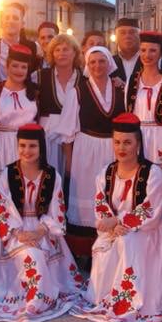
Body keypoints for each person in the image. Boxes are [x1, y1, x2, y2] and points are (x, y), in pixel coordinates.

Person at [72, 113, 162, 322]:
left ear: (138, 144)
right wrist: (113, 224)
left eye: (127, 142)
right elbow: (100, 203)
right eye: (117, 142)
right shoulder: (106, 173)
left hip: (147, 231)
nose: (121, 148)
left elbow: (151, 209)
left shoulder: (152, 173)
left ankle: (127, 299)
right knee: (104, 246)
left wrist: (120, 220)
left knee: (127, 242)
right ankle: (105, 296)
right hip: (117, 228)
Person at [0, 124, 82, 322]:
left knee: (38, 253)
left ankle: (40, 297)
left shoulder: (52, 175)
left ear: (41, 147)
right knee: (32, 256)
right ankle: (37, 298)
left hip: (44, 231)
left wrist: (40, 231)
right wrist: (19, 233)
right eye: (22, 145)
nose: (26, 151)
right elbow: (1, 208)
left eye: (32, 146)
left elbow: (57, 211)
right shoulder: (8, 174)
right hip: (15, 232)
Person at [65, 46, 125, 257]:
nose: (97, 66)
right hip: (86, 149)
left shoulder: (121, 89)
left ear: (109, 63)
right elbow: (68, 133)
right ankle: (85, 251)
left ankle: (109, 246)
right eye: (93, 62)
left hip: (112, 148)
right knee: (87, 194)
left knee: (110, 195)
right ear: (87, 65)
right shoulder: (77, 92)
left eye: (102, 61)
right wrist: (69, 164)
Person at [0, 44, 39, 179]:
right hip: (2, 145)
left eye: (23, 67)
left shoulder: (35, 92)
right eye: (15, 66)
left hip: (27, 145)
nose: (19, 70)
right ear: (7, 66)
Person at [126, 31, 162, 171]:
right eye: (143, 50)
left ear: (160, 53)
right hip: (136, 137)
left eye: (153, 50)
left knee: (160, 175)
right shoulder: (133, 79)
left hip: (161, 137)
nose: (147, 55)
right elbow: (127, 109)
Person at [36, 33, 81, 177]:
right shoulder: (39, 76)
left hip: (75, 136)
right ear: (52, 54)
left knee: (72, 178)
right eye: (57, 50)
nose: (62, 53)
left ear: (75, 53)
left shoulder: (84, 78)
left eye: (66, 49)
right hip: (48, 133)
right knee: (48, 176)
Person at [0, 2, 41, 80]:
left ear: (22, 24)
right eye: (7, 17)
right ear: (1, 22)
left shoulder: (32, 47)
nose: (10, 21)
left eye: (15, 18)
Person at [110, 17, 142, 87]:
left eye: (132, 32)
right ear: (116, 37)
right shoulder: (109, 63)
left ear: (140, 36)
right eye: (122, 33)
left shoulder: (150, 62)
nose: (127, 36)